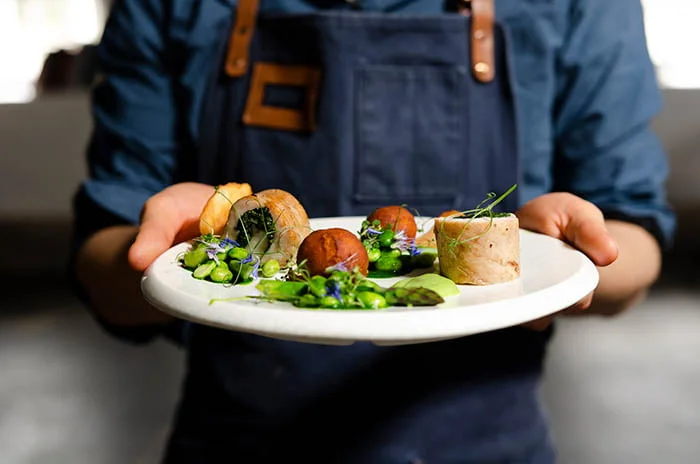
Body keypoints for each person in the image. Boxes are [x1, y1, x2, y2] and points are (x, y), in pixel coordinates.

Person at [69, 0, 675, 462]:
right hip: (242, 436)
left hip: (484, 440)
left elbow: (636, 234)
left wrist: (562, 257)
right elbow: (103, 264)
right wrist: (163, 255)